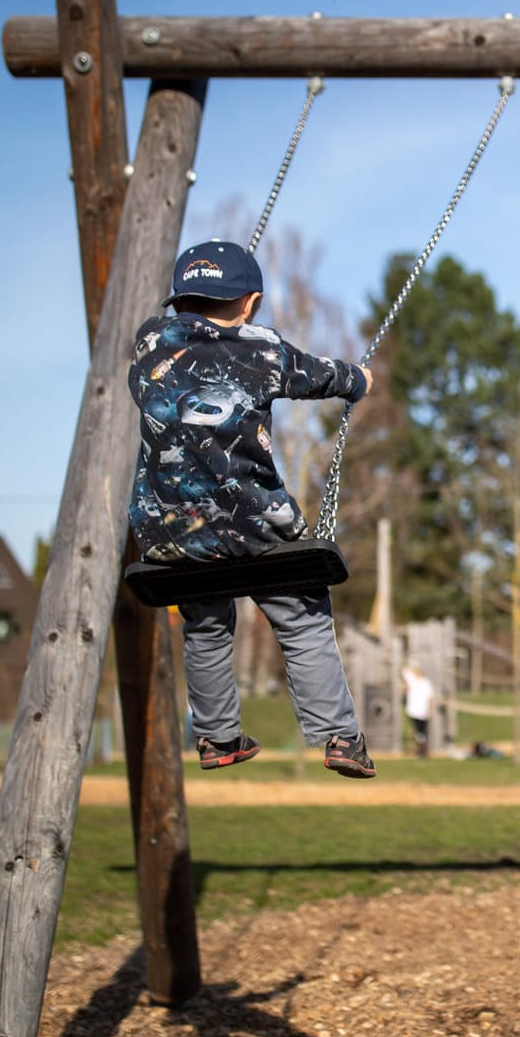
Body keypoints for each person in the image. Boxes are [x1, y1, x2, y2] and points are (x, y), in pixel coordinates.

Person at [128, 240, 376, 779]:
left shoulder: (148, 346)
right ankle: (339, 736)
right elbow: (319, 374)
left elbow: (177, 333)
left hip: (171, 533)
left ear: (178, 303)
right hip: (252, 523)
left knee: (206, 621)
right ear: (252, 303)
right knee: (303, 615)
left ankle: (217, 738)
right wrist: (358, 380)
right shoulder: (262, 351)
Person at [403, 662, 434, 758]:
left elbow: (431, 697)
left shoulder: (420, 682)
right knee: (420, 732)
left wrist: (430, 709)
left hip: (419, 711)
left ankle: (422, 749)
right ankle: (422, 749)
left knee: (420, 732)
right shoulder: (420, 681)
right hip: (415, 711)